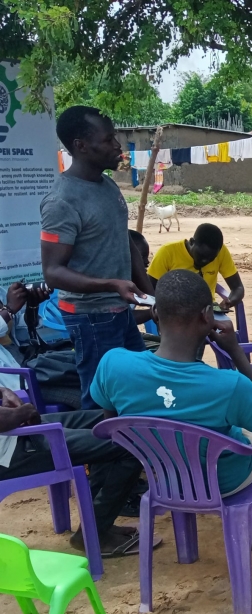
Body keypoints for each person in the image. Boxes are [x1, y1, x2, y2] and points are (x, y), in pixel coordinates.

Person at [90, 270, 252, 548]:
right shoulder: (228, 385)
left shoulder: (113, 364)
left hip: (164, 479)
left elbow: (114, 425)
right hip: (227, 479)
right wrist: (236, 353)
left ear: (154, 313)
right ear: (207, 316)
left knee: (220, 418)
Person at [40, 106, 153, 409]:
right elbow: (53, 272)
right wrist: (111, 284)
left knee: (138, 387)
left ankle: (130, 439)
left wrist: (151, 297)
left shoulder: (108, 185)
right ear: (81, 146)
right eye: (107, 140)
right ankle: (97, 442)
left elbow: (124, 242)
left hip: (119, 309)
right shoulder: (62, 201)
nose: (117, 145)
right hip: (90, 317)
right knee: (100, 399)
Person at [0, 387, 147, 557]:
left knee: (113, 422)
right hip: (12, 453)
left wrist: (3, 391)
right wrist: (24, 411)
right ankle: (95, 533)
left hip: (14, 431)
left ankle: (95, 525)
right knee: (131, 446)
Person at [147, 223, 244, 312]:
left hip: (207, 312)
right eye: (201, 256)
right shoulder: (167, 252)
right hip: (174, 312)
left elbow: (238, 287)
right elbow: (149, 289)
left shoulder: (221, 252)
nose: (205, 261)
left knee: (226, 325)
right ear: (192, 242)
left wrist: (229, 302)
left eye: (211, 259)